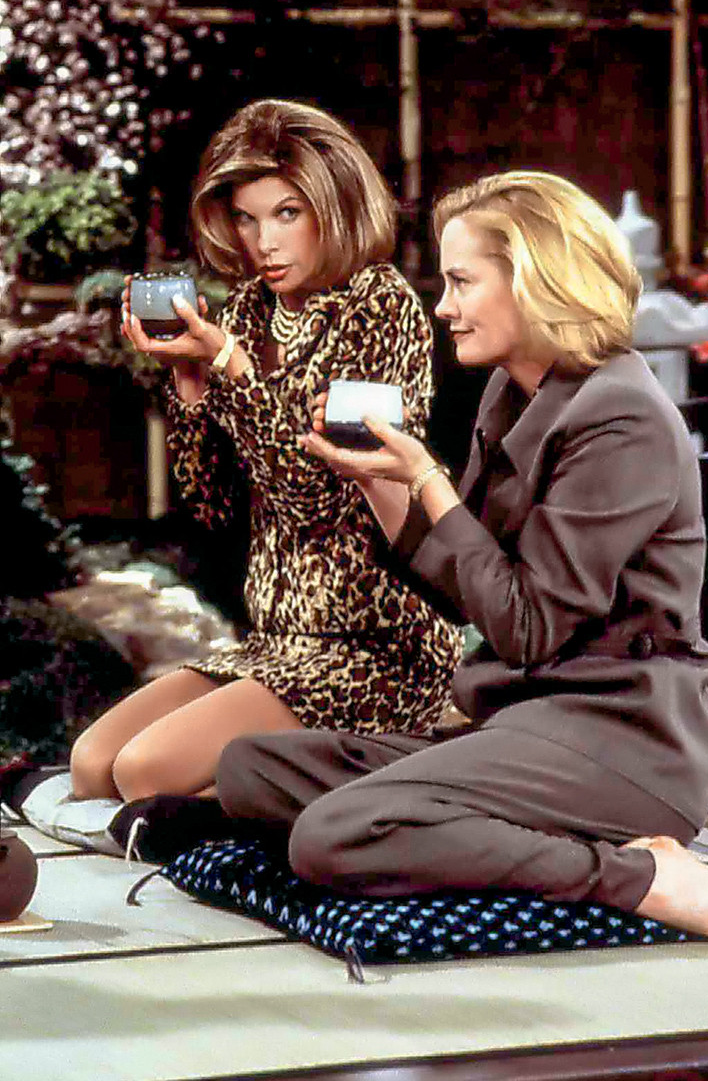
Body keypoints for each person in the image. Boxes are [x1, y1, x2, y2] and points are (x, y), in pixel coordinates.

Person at [216, 170, 708, 944]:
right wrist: (382, 482)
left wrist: (427, 477)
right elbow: (472, 589)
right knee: (250, 769)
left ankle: (640, 876)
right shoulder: (513, 392)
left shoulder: (622, 416)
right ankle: (491, 831)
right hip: (524, 721)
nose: (443, 306)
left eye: (461, 281)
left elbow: (527, 626)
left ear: (536, 281)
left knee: (332, 834)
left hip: (623, 743)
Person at [68, 98, 463, 808]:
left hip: (374, 645)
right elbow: (213, 506)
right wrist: (192, 383)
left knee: (145, 774)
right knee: (92, 764)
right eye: (247, 219)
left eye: (286, 214)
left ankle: (346, 785)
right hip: (277, 641)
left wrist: (233, 368)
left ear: (333, 207)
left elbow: (317, 496)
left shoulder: (381, 306)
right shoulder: (249, 310)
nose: (264, 243)